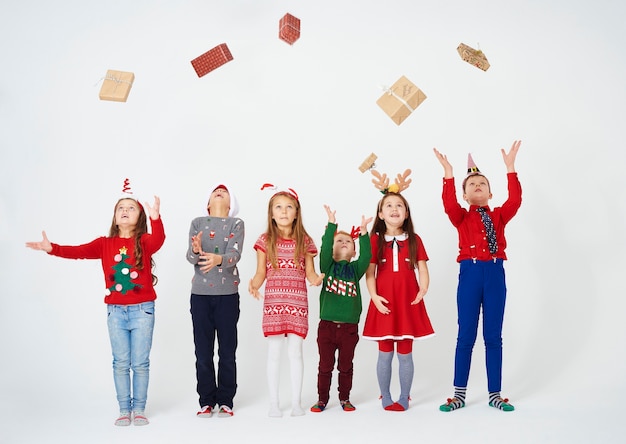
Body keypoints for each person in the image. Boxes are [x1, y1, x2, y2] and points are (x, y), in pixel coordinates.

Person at [25, 183, 165, 427]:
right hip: (115, 312)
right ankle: (124, 409)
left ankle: (139, 409)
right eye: (120, 207)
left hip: (143, 310)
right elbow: (78, 251)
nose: (124, 210)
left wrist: (156, 218)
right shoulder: (104, 244)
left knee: (140, 362)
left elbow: (159, 239)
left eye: (131, 208)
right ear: (114, 216)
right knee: (121, 362)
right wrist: (52, 248)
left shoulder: (144, 241)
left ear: (139, 216)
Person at [433, 140, 522, 412]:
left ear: (490, 193)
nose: (477, 186)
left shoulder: (499, 216)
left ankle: (495, 394)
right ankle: (459, 395)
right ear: (465, 195)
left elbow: (516, 200)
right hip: (470, 274)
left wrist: (511, 169)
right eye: (471, 184)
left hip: (495, 274)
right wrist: (448, 174)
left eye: (482, 183)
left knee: (493, 336)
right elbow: (447, 204)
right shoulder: (460, 217)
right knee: (466, 336)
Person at [362, 169, 435, 412]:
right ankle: (385, 395)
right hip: (384, 302)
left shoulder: (414, 239)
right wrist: (374, 297)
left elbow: (422, 268)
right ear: (380, 214)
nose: (395, 209)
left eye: (400, 206)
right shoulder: (374, 241)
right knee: (384, 353)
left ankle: (404, 396)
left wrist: (423, 287)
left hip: (407, 303)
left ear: (406, 213)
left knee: (405, 352)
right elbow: (369, 273)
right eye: (389, 205)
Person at [248, 187, 323, 418]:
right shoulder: (265, 240)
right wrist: (253, 284)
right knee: (274, 352)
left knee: (296, 352)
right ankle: (274, 403)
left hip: (297, 303)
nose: (283, 211)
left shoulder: (305, 241)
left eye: (289, 207)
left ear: (296, 213)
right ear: (271, 213)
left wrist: (317, 279)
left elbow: (310, 273)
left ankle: (296, 403)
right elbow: (261, 272)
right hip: (274, 303)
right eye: (278, 207)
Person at [187, 184, 244, 419]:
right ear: (208, 203)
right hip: (200, 296)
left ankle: (226, 399)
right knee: (203, 351)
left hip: (227, 296)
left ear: (231, 204)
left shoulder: (236, 224)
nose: (219, 191)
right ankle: (206, 400)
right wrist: (197, 249)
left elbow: (234, 256)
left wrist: (218, 258)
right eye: (214, 191)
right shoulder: (198, 223)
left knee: (227, 351)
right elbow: (191, 258)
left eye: (225, 191)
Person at [310, 205, 373, 413]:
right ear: (332, 250)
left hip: (348, 329)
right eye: (339, 241)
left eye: (349, 241)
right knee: (325, 366)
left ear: (354, 251)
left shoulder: (355, 270)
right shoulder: (327, 266)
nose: (344, 242)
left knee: (346, 366)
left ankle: (345, 398)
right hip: (326, 327)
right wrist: (331, 226)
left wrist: (363, 233)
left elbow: (366, 257)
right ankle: (322, 399)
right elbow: (325, 246)